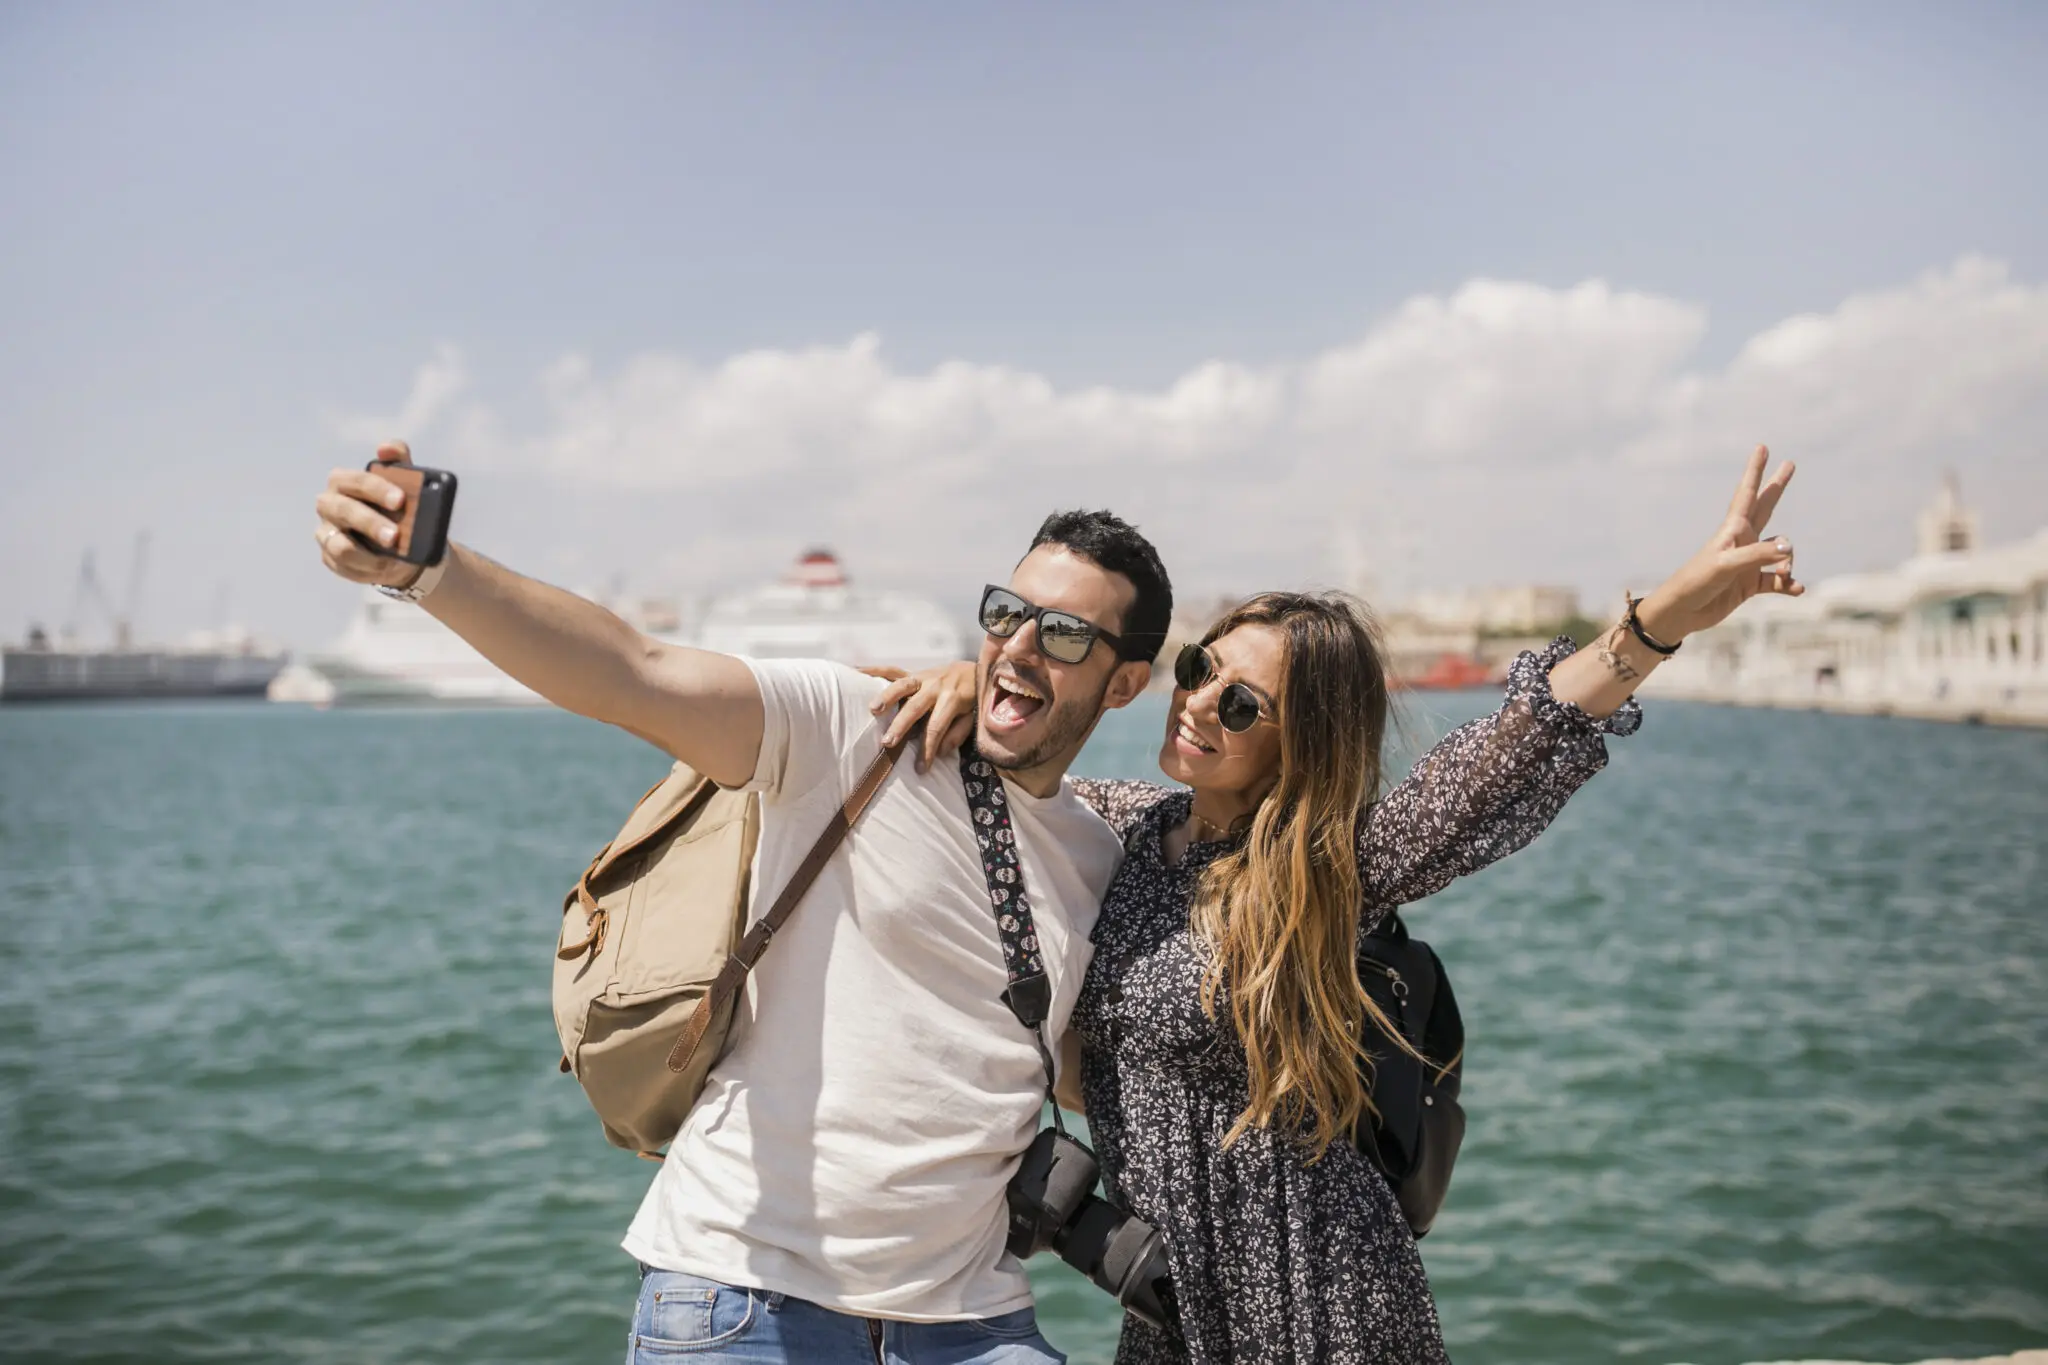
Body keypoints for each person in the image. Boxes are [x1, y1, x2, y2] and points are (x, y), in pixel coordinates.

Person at [873, 448, 1801, 1364]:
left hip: (1321, 1298)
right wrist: (967, 681)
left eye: (1242, 705)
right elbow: (1023, 775)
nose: (1197, 704)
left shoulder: (1323, 870)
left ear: (1299, 741)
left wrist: (1661, 619)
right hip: (1169, 1303)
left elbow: (1508, 752)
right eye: (1199, 670)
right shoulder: (1117, 825)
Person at [312, 442, 1180, 1365]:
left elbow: (1069, 1064)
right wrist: (431, 570)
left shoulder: (1098, 854)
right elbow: (629, 670)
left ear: (1124, 681)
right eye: (1007, 615)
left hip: (971, 1318)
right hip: (747, 1297)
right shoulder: (854, 729)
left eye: (1065, 634)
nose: (1017, 646)